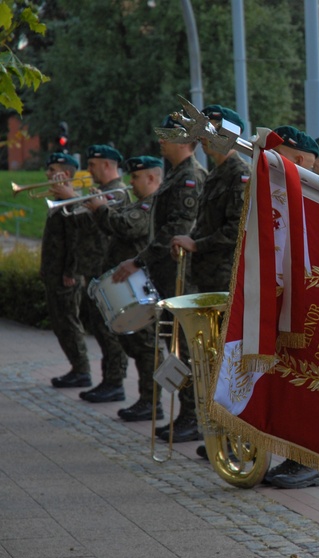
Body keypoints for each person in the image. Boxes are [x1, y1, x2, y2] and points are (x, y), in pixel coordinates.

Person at [114, 115, 207, 443]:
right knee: (174, 347)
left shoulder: (190, 176)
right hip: (167, 276)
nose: (160, 140)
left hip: (181, 278)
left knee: (183, 348)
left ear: (184, 141)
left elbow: (177, 228)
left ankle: (194, 417)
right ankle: (187, 414)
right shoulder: (176, 175)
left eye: (167, 135)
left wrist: (140, 260)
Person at [262, 124, 319, 489]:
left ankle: (310, 461)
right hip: (285, 301)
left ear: (302, 161)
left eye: (279, 158)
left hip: (313, 306)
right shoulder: (277, 194)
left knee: (306, 381)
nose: (270, 164)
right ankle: (293, 455)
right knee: (287, 381)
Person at [85, 156, 163, 421]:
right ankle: (147, 400)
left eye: (136, 177)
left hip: (141, 286)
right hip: (129, 285)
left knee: (146, 347)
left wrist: (100, 209)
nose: (130, 182)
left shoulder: (150, 205)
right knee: (137, 345)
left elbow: (126, 227)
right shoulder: (141, 203)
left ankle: (151, 402)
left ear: (151, 178)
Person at [171, 105, 250, 294]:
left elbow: (237, 229)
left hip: (226, 278)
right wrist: (187, 241)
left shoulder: (240, 174)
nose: (201, 137)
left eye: (210, 131)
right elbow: (206, 224)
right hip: (208, 275)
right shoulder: (215, 174)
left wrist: (196, 245)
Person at [75, 144, 129, 403]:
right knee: (97, 327)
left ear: (107, 164)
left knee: (108, 331)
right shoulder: (100, 192)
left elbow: (115, 228)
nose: (89, 169)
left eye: (93, 165)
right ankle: (108, 380)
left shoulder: (117, 193)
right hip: (94, 270)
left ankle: (115, 382)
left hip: (107, 271)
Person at [41, 153, 91, 389]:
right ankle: (76, 367)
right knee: (60, 324)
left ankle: (82, 370)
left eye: (52, 170)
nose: (47, 174)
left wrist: (71, 271)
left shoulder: (73, 202)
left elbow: (76, 241)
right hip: (54, 272)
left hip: (66, 276)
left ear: (66, 174)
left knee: (69, 322)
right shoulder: (59, 200)